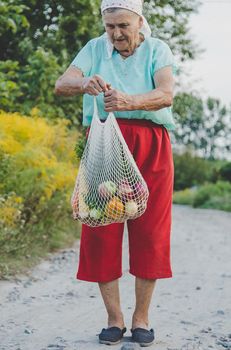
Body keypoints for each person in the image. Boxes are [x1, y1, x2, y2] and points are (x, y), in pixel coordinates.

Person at [55, 0, 175, 347]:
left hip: (149, 142)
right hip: (104, 139)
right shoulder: (95, 48)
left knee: (150, 231)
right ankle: (114, 319)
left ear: (139, 21)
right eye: (110, 26)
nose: (117, 33)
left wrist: (129, 101)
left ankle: (141, 319)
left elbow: (165, 94)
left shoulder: (157, 49)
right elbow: (63, 83)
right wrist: (84, 85)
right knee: (100, 226)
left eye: (124, 25)